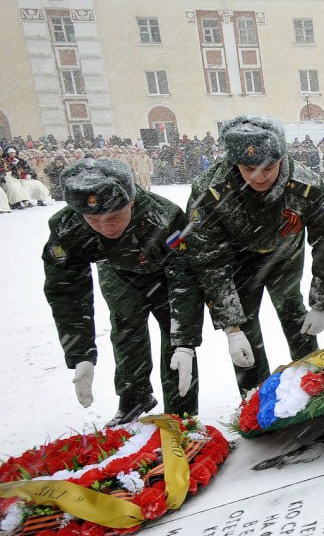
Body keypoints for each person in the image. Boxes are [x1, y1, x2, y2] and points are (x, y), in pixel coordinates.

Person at [187, 114, 324, 393]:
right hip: (238, 259)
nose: (258, 177)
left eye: (268, 167)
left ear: (281, 157)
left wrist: (321, 302)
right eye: (248, 169)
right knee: (245, 330)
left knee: (294, 313)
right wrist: (231, 329)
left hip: (284, 253)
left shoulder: (306, 186)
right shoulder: (210, 191)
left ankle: (313, 382)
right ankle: (254, 397)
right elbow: (208, 261)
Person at [42, 158, 203, 425]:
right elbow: (66, 291)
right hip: (118, 272)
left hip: (165, 276)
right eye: (94, 219)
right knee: (126, 329)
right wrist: (80, 355)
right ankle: (134, 396)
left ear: (130, 201)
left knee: (174, 340)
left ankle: (181, 408)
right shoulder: (67, 227)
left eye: (115, 217)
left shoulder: (164, 216)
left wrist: (185, 341)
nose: (106, 227)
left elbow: (185, 278)